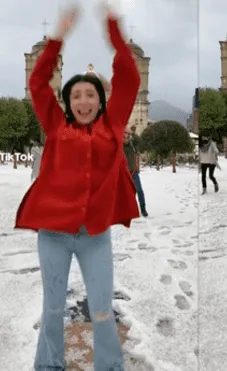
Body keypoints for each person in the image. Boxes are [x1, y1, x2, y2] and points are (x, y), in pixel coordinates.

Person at [15, 5, 141, 370]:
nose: (84, 101)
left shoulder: (112, 125)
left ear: (101, 101)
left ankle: (109, 366)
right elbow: (38, 83)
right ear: (67, 103)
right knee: (52, 307)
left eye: (91, 94)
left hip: (95, 234)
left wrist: (113, 31)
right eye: (76, 96)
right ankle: (48, 366)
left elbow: (129, 76)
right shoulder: (56, 126)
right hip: (53, 234)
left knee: (102, 309)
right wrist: (56, 40)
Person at [123, 127, 148, 216]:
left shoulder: (133, 145)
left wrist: (132, 132)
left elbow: (140, 142)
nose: (125, 138)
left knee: (139, 191)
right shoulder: (119, 145)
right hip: (124, 174)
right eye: (124, 136)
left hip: (134, 173)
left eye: (127, 136)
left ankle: (143, 209)